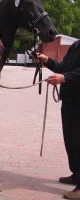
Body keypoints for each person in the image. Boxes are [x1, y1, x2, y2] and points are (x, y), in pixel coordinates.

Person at [37, 39, 80, 200]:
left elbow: (66, 74)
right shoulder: (76, 46)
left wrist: (65, 78)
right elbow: (64, 68)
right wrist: (47, 60)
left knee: (79, 143)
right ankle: (77, 175)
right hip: (69, 101)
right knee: (71, 142)